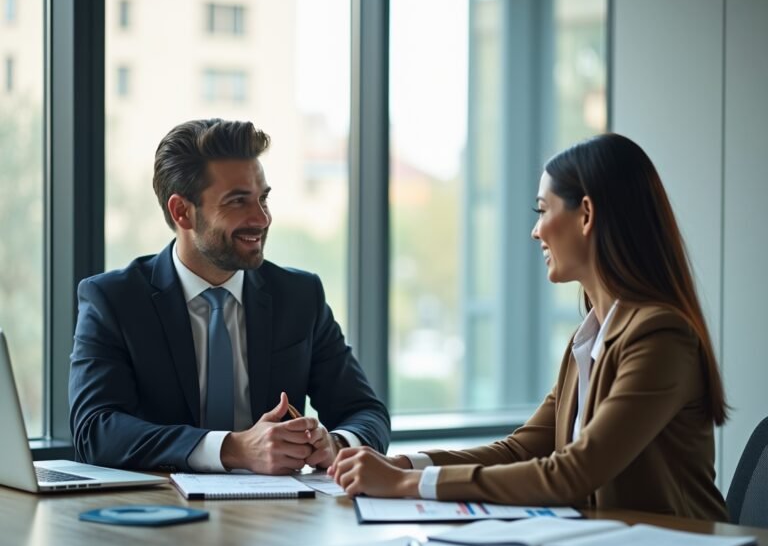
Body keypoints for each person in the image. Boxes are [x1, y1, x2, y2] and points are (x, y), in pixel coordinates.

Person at [329, 133, 728, 520]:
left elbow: (573, 472)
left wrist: (406, 484)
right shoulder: (588, 340)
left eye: (542, 210)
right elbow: (521, 449)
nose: (535, 230)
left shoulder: (660, 336)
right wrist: (406, 464)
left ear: (586, 215)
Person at [69, 118, 390, 474]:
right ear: (182, 212)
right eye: (238, 202)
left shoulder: (299, 297)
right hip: (158, 515)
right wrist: (232, 448)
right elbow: (94, 430)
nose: (262, 218)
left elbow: (366, 412)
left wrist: (337, 444)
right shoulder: (114, 300)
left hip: (280, 520)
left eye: (263, 198)